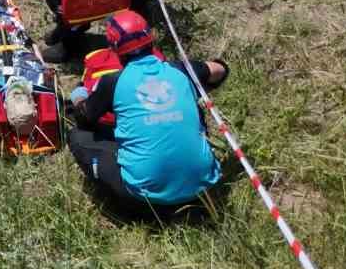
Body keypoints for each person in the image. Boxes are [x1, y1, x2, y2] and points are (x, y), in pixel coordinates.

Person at [67, 11, 228, 214]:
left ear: (114, 49)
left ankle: (128, 208)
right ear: (150, 39)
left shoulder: (113, 82)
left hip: (145, 200)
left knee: (78, 137)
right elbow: (220, 70)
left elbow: (84, 119)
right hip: (203, 189)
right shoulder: (181, 71)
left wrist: (79, 95)